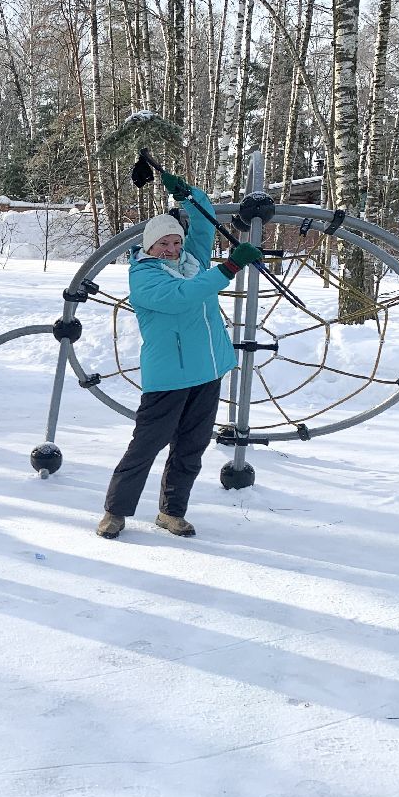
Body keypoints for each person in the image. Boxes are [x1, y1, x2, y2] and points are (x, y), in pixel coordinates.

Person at [96, 176, 262, 540]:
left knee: (191, 446)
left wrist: (188, 194)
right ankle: (115, 511)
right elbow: (181, 297)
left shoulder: (193, 260)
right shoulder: (144, 277)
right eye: (162, 243)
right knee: (146, 445)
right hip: (169, 376)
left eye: (175, 241)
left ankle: (171, 513)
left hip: (209, 369)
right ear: (148, 246)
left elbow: (203, 221)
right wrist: (230, 268)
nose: (171, 249)